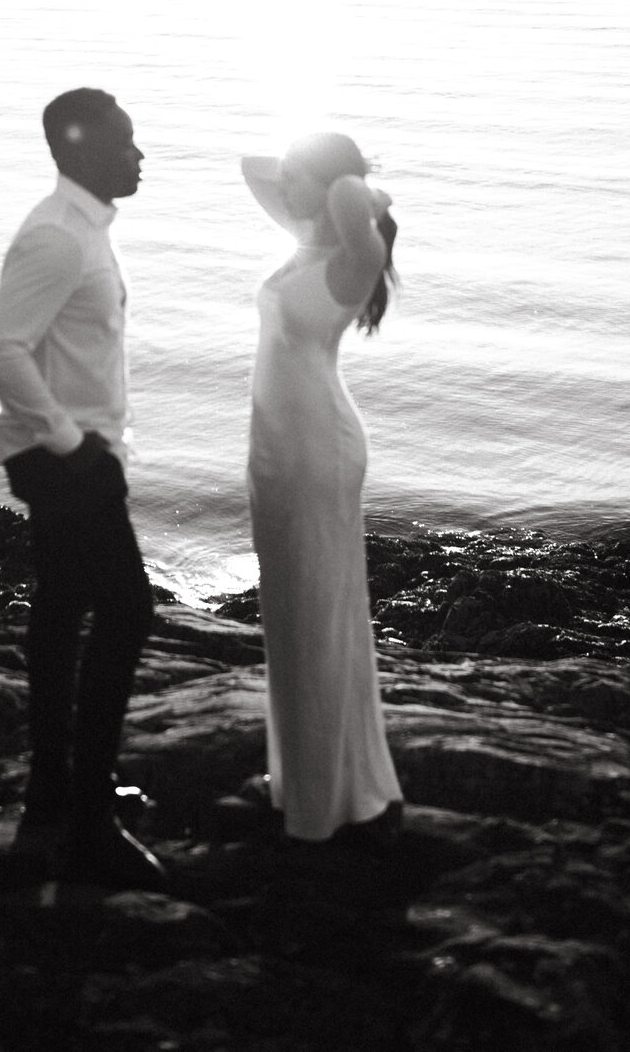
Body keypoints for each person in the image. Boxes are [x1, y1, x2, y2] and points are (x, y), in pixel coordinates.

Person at [0, 88, 165, 890]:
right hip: (65, 462)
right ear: (83, 149)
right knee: (128, 610)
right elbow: (1, 350)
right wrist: (71, 442)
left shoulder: (83, 229)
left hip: (78, 454)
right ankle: (89, 820)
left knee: (60, 610)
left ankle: (52, 789)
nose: (140, 152)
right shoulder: (58, 238)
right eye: (126, 140)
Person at [241, 132, 404, 849]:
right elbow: (252, 170)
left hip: (317, 450)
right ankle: (299, 783)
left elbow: (349, 216)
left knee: (319, 613)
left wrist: (356, 189)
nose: (285, 185)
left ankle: (334, 801)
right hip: (277, 448)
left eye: (301, 177)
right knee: (291, 615)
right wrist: (335, 184)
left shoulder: (351, 262)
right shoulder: (309, 239)